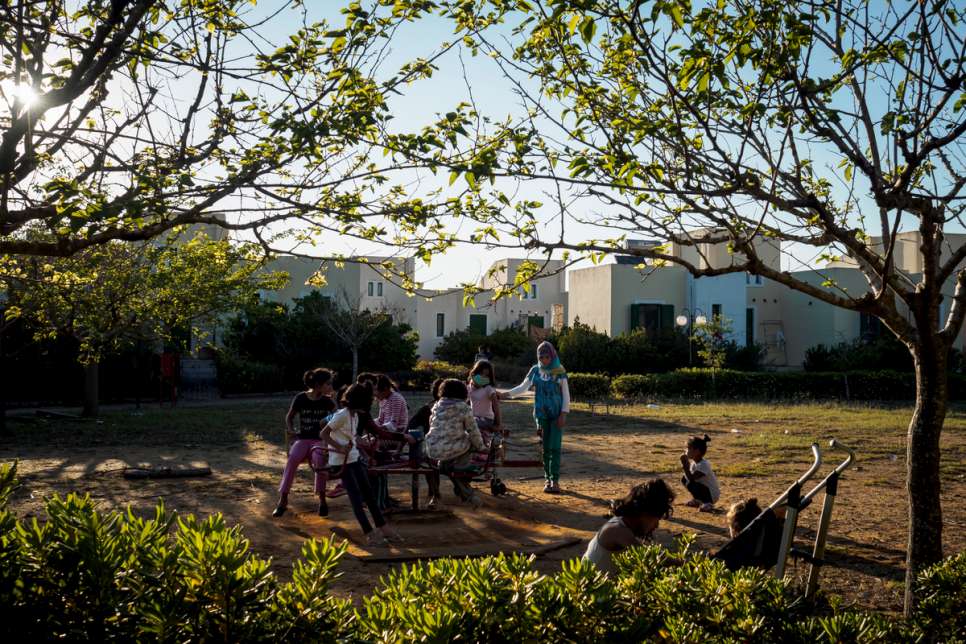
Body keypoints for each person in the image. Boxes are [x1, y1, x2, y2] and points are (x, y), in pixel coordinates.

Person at [319, 383, 401, 546]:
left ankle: (383, 527)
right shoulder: (342, 415)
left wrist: (361, 446)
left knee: (368, 495)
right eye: (367, 403)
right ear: (358, 402)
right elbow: (324, 433)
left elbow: (351, 437)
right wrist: (339, 448)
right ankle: (369, 533)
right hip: (341, 462)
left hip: (354, 458)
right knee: (356, 497)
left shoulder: (355, 416)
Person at [499, 341, 570, 494]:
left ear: (552, 356)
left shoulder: (560, 371)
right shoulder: (535, 371)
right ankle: (547, 479)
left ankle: (555, 480)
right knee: (545, 448)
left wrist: (564, 414)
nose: (544, 360)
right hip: (541, 414)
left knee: (555, 447)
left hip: (557, 414)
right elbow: (523, 387)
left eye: (547, 357)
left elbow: (566, 395)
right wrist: (504, 394)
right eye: (541, 357)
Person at [273, 368, 337, 518]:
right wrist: (291, 431)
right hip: (302, 439)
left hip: (319, 440)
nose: (331, 387)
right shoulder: (301, 398)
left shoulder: (327, 401)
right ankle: (283, 500)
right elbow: (289, 417)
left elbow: (338, 417)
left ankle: (322, 500)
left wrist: (331, 409)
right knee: (293, 458)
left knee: (319, 461)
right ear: (318, 384)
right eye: (328, 384)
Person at [583, 479, 675, 574]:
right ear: (644, 513)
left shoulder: (624, 525)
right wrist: (684, 564)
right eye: (656, 519)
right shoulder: (616, 530)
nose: (656, 525)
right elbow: (650, 556)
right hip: (590, 586)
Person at [425, 378, 487, 508]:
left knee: (452, 443)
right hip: (453, 450)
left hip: (432, 450)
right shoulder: (463, 407)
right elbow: (473, 430)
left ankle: (447, 465)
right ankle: (461, 466)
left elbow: (432, 425)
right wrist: (482, 447)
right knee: (469, 440)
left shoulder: (436, 406)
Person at [407, 378, 444, 508]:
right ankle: (434, 492)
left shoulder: (427, 408)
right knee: (431, 458)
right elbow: (411, 424)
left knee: (430, 458)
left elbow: (410, 425)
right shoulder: (458, 407)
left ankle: (434, 491)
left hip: (436, 448)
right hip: (448, 447)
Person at [680, 434, 720, 512]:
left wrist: (685, 465)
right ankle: (698, 500)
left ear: (697, 451)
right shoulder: (694, 463)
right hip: (704, 491)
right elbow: (688, 478)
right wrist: (686, 466)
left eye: (688, 448)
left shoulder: (704, 464)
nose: (686, 451)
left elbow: (691, 478)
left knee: (690, 482)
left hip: (711, 495)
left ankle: (708, 503)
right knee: (684, 479)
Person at [467, 360, 502, 437]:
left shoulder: (489, 389)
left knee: (470, 423)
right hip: (473, 418)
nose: (483, 377)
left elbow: (496, 408)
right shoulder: (469, 388)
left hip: (486, 419)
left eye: (486, 375)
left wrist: (498, 424)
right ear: (475, 373)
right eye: (481, 374)